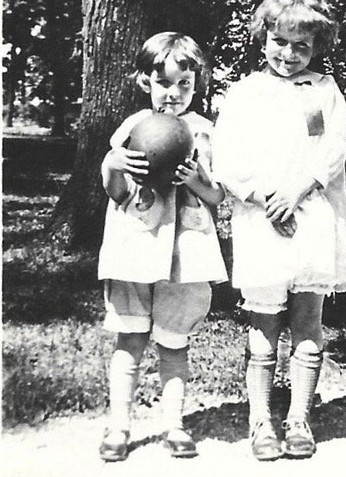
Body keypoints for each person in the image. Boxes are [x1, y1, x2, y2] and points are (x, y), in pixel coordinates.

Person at [213, 0, 346, 460]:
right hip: (261, 220)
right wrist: (261, 194)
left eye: (302, 45)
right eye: (281, 41)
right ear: (264, 36)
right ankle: (261, 419)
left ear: (317, 45)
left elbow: (332, 149)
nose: (290, 54)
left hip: (311, 213)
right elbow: (227, 157)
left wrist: (299, 189)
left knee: (307, 319)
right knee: (265, 319)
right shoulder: (245, 92)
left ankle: (299, 417)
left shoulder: (324, 90)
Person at [97, 32, 228, 462]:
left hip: (185, 254)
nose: (173, 94)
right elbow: (117, 193)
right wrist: (113, 164)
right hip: (136, 246)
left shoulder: (205, 132)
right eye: (163, 83)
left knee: (174, 341)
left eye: (184, 85)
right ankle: (119, 426)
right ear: (144, 82)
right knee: (129, 338)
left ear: (198, 83)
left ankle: (174, 424)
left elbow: (217, 197)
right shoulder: (132, 127)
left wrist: (195, 178)